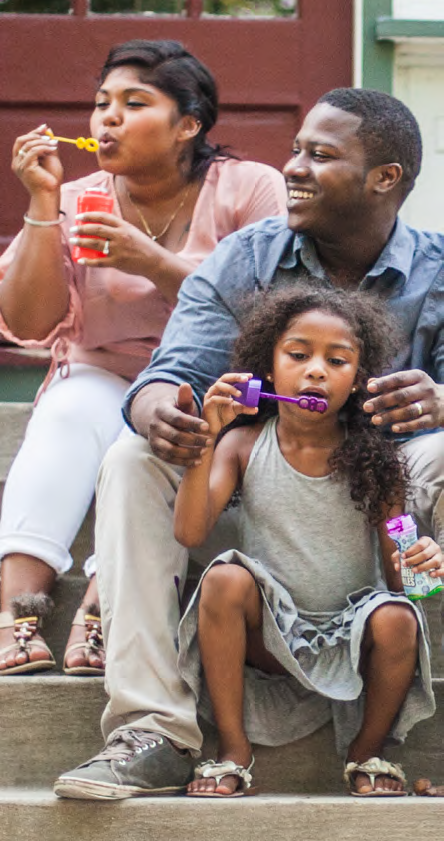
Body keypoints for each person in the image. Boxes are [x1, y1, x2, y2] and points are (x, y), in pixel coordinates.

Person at [54, 87, 444, 800]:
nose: (292, 166)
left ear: (385, 178)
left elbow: (410, 561)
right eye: (295, 148)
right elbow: (169, 375)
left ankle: (377, 737)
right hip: (255, 508)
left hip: (385, 494)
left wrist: (442, 404)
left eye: (319, 155)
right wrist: (156, 412)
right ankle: (154, 730)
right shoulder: (248, 257)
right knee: (131, 457)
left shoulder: (438, 270)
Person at [0, 39, 286, 678]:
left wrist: (149, 261)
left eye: (134, 103)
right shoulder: (79, 197)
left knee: (157, 430)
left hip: (204, 381)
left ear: (190, 123)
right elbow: (28, 321)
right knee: (69, 416)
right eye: (102, 104)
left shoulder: (248, 189)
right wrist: (43, 206)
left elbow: (269, 316)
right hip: (101, 370)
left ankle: (103, 610)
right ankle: (15, 614)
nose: (108, 118)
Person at [174, 285, 441, 797]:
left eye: (336, 361)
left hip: (349, 640)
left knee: (398, 617)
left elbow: (403, 581)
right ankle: (233, 750)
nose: (316, 370)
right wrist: (204, 441)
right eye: (299, 355)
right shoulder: (241, 445)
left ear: (358, 382)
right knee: (224, 579)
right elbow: (189, 533)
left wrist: (428, 563)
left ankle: (369, 750)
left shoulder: (379, 462)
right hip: (270, 637)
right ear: (269, 370)